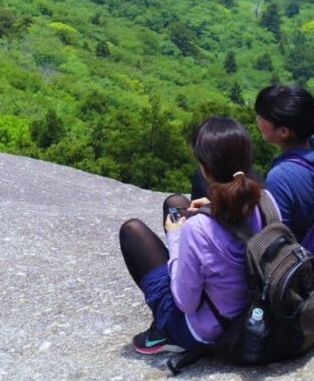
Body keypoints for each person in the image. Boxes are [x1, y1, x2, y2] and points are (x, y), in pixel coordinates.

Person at [119, 117, 280, 354]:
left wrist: (176, 237)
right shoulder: (267, 201)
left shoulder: (198, 230)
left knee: (131, 231)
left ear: (205, 169)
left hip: (210, 330)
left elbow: (185, 302)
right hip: (254, 308)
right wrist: (214, 205)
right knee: (175, 203)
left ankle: (166, 332)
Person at [254, 85, 314, 241]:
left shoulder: (280, 177)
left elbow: (279, 238)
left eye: (262, 116)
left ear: (283, 132)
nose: (258, 119)